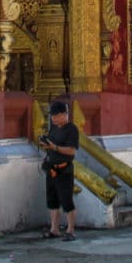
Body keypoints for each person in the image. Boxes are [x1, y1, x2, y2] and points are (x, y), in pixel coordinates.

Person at [38, 100, 80, 240]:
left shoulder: (71, 129)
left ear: (64, 114)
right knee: (52, 200)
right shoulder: (54, 128)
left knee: (66, 200)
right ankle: (54, 229)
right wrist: (46, 145)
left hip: (64, 169)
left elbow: (72, 151)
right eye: (52, 116)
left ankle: (71, 230)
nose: (53, 118)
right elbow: (51, 144)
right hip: (51, 168)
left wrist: (55, 147)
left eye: (56, 115)